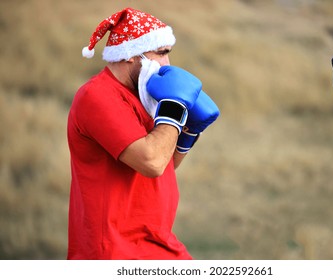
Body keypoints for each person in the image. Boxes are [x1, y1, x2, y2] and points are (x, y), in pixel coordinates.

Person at [67, 7, 220, 260]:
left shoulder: (145, 96)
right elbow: (152, 162)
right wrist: (174, 106)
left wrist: (189, 132)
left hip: (157, 241)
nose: (166, 65)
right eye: (160, 53)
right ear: (130, 54)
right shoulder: (96, 97)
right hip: (115, 251)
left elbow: (167, 164)